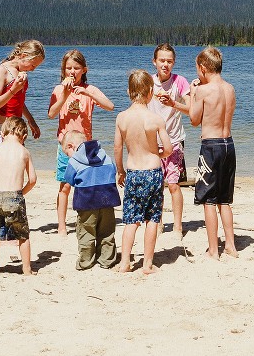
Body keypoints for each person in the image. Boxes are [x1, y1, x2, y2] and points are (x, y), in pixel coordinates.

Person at [48, 49, 114, 235]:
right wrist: (64, 93)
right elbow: (51, 113)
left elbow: (110, 106)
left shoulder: (89, 89)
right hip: (65, 146)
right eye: (68, 68)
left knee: (85, 185)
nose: (72, 72)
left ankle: (85, 220)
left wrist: (88, 94)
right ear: (63, 70)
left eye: (76, 68)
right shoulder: (59, 90)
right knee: (65, 186)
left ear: (84, 70)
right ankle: (62, 225)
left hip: (85, 147)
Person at [114, 69, 173, 274]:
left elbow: (117, 148)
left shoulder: (122, 118)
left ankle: (125, 262)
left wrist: (120, 171)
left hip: (133, 172)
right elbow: (168, 149)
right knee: (152, 219)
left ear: (128, 91)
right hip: (153, 172)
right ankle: (147, 264)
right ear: (150, 92)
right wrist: (157, 153)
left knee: (131, 220)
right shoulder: (155, 119)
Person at [188, 46, 238, 260]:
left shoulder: (203, 90)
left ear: (202, 68)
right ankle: (231, 246)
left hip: (211, 145)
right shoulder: (230, 88)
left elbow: (194, 120)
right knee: (224, 200)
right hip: (228, 145)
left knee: (208, 199)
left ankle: (213, 250)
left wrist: (193, 93)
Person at [0, 116, 37, 275]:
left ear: (2, 134)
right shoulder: (24, 152)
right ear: (24, 136)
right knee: (23, 235)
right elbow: (33, 180)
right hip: (15, 197)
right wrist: (22, 192)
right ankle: (26, 268)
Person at [148, 43, 191, 237]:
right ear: (154, 62)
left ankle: (177, 226)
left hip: (174, 141)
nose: (165, 64)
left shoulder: (180, 81)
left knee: (173, 185)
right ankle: (158, 223)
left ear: (174, 63)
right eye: (162, 61)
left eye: (169, 61)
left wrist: (174, 103)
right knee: (156, 186)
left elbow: (191, 109)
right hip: (152, 143)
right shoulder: (148, 82)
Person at [61, 130, 120, 270]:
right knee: (107, 231)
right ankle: (106, 260)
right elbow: (113, 170)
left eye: (67, 153)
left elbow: (69, 179)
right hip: (107, 199)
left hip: (86, 201)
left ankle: (86, 261)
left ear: (71, 146)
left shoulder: (75, 161)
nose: (68, 156)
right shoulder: (105, 156)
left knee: (86, 231)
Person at [0, 40, 45, 147]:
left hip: (18, 129)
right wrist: (13, 89)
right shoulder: (2, 70)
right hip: (3, 130)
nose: (33, 70)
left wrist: (31, 120)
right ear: (23, 56)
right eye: (33, 65)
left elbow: (18, 101)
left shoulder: (21, 72)